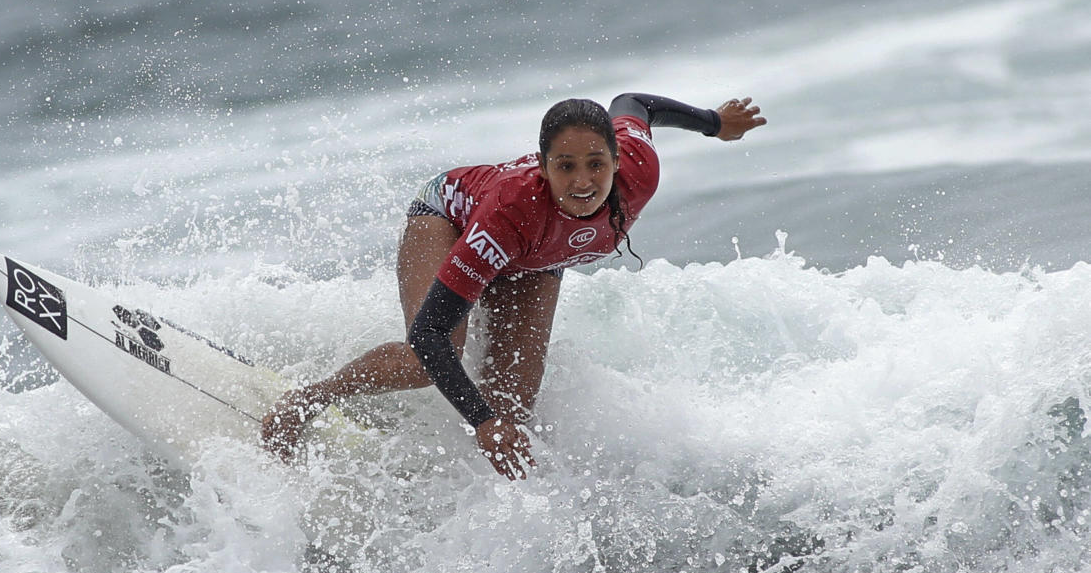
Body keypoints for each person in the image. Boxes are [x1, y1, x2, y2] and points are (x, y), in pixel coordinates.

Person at [261, 92, 767, 479]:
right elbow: (430, 334)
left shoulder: (641, 167)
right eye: (564, 167)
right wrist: (482, 422)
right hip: (451, 218)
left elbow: (634, 104)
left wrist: (715, 124)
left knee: (515, 408)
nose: (584, 181)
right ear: (544, 169)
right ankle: (307, 401)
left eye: (596, 163)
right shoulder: (509, 211)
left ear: (617, 159)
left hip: (535, 259)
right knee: (432, 360)